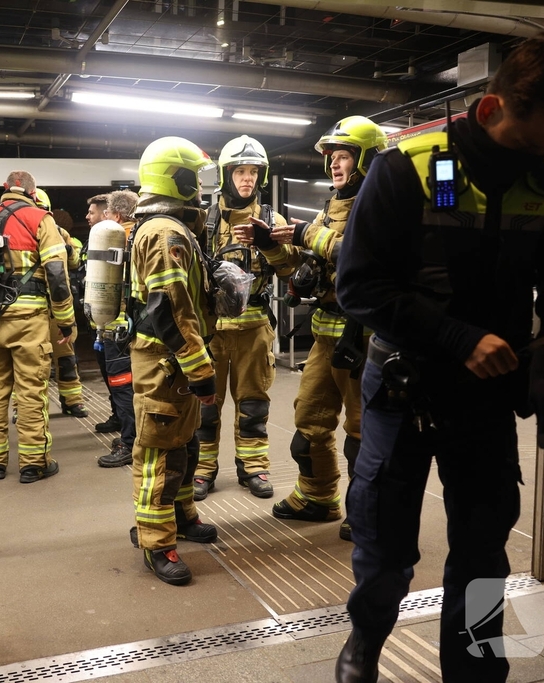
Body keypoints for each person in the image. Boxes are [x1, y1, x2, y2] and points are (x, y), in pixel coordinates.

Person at [333, 34, 544, 682]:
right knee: (386, 548)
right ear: (489, 110)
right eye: (529, 141)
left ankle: (477, 671)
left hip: (487, 398)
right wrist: (457, 338)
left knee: (483, 557)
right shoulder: (407, 170)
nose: (540, 157)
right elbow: (359, 286)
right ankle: (365, 641)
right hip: (403, 389)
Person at [268, 116, 386, 541]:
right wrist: (273, 247)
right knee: (310, 420)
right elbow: (309, 268)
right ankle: (318, 497)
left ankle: (367, 511)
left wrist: (304, 233)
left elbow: (362, 256)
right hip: (325, 333)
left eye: (344, 157)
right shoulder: (330, 206)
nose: (335, 165)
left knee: (362, 431)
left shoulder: (381, 202)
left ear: (366, 158)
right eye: (332, 158)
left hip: (363, 336)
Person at [126, 136, 219, 586]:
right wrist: (200, 369)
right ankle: (156, 542)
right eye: (195, 178)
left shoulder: (169, 226)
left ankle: (182, 516)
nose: (200, 188)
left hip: (172, 361)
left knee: (184, 442)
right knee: (160, 453)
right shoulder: (165, 233)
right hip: (167, 361)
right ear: (175, 178)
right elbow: (169, 308)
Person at [193, 135, 302, 501]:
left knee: (253, 402)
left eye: (253, 171)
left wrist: (268, 243)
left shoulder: (273, 220)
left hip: (254, 326)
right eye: (240, 171)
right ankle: (203, 470)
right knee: (206, 406)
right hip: (212, 329)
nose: (247, 179)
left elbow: (289, 269)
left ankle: (253, 467)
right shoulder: (202, 220)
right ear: (226, 174)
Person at [0, 171, 76, 483]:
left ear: (5, 190)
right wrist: (66, 319)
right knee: (31, 392)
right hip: (28, 321)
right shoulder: (40, 219)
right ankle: (33, 464)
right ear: (33, 193)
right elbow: (57, 274)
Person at [96, 189, 140, 468]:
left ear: (119, 215)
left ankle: (129, 441)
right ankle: (134, 435)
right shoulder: (143, 235)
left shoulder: (115, 237)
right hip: (140, 324)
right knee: (140, 386)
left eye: (109, 214)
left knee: (123, 386)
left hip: (117, 326)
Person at [37, 188, 88, 419]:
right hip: (35, 309)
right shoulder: (20, 232)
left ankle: (72, 402)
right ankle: (28, 408)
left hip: (56, 308)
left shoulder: (60, 232)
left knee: (66, 358)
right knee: (34, 363)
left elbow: (75, 262)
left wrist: (67, 250)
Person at [87, 193, 122, 434]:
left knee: (120, 380)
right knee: (110, 377)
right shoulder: (99, 240)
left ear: (108, 214)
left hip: (117, 325)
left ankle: (126, 429)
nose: (88, 216)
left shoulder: (119, 238)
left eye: (93, 212)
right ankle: (117, 416)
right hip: (100, 322)